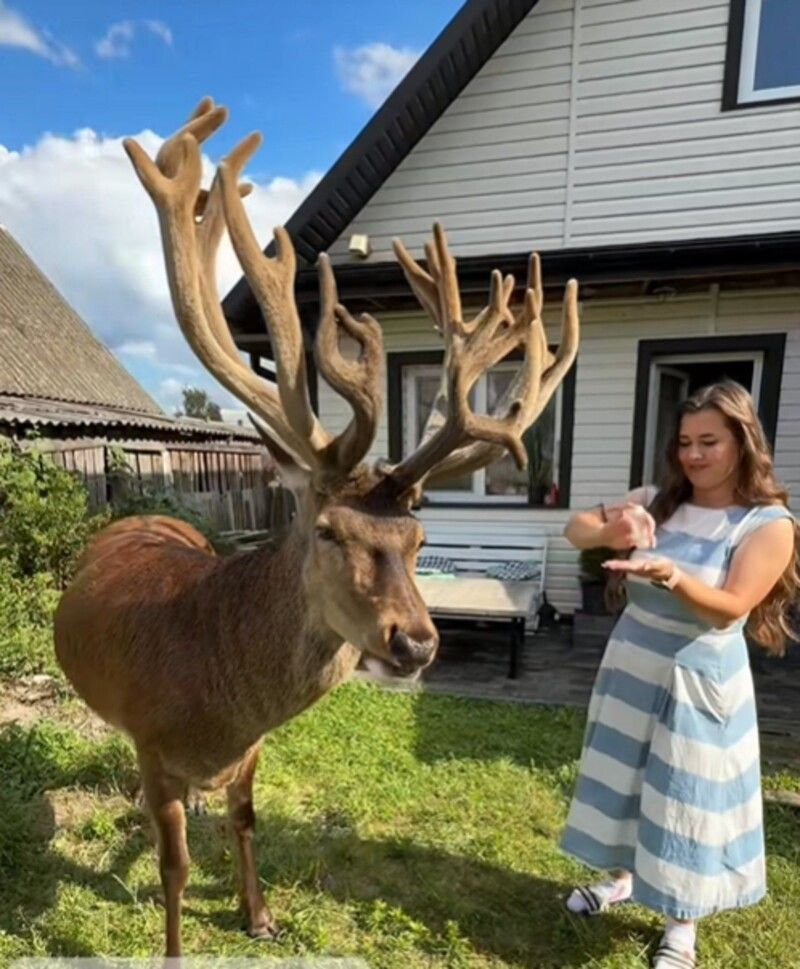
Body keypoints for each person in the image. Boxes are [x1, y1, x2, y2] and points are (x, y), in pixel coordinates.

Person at [559, 381, 798, 969]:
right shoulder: (657, 500)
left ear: (743, 442)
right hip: (633, 664)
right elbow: (575, 529)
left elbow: (733, 605)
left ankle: (680, 926)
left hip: (699, 680)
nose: (693, 455)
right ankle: (624, 880)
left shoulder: (768, 523)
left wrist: (672, 577)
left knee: (684, 795)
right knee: (628, 781)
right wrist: (610, 530)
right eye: (686, 441)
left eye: (709, 442)